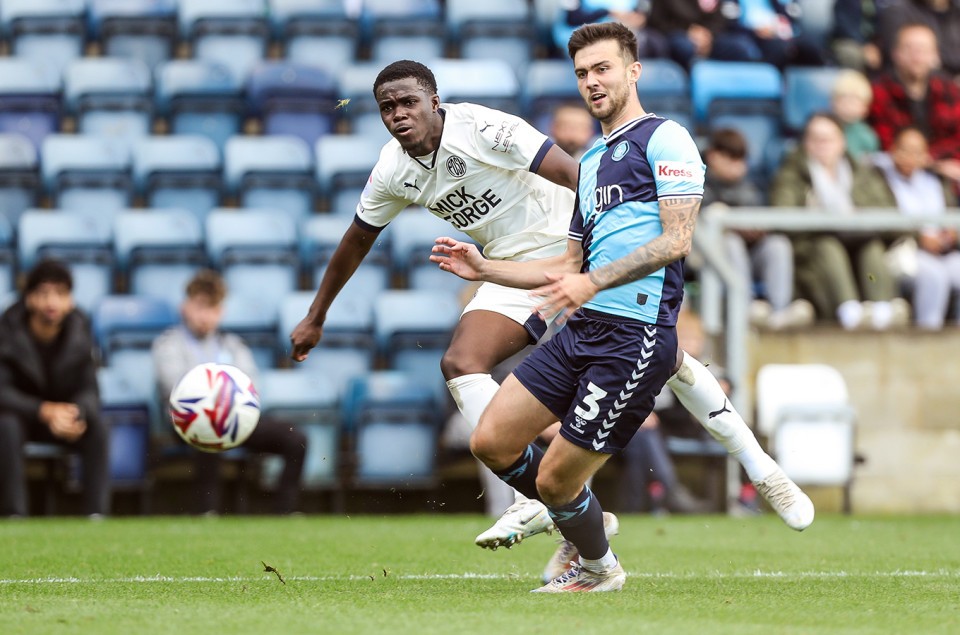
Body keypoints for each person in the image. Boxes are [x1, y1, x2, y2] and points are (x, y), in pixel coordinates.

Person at [289, 57, 813, 556]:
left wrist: (592, 253)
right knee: (459, 362)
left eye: (407, 101)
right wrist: (317, 315)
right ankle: (536, 502)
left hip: (574, 250)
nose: (397, 114)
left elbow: (576, 175)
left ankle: (761, 467)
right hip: (507, 268)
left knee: (668, 358)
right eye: (386, 107)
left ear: (434, 100)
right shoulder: (391, 171)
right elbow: (356, 239)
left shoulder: (484, 129)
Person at [430, 22, 814, 592]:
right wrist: (486, 269)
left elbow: (676, 240)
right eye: (582, 73)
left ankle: (596, 566)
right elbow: (567, 266)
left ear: (633, 71)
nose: (592, 81)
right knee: (491, 441)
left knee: (559, 480)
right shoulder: (588, 163)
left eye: (602, 68)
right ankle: (568, 518)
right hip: (581, 330)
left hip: (633, 338)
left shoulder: (666, 138)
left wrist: (593, 282)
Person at [153, 270, 306, 515]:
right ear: (185, 307)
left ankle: (284, 512)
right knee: (210, 429)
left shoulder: (234, 346)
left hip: (235, 418)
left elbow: (251, 386)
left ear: (221, 311)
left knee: (295, 438)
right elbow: (173, 387)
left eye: (213, 308)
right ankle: (208, 511)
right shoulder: (168, 344)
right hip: (188, 421)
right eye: (200, 306)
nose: (206, 316)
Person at [771, 112, 907, 330]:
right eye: (816, 139)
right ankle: (849, 313)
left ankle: (882, 311)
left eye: (828, 139)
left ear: (841, 142)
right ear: (806, 143)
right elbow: (783, 215)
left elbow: (889, 212)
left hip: (859, 242)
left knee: (871, 248)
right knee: (828, 246)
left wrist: (860, 216)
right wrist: (823, 220)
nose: (822, 145)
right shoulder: (791, 172)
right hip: (812, 250)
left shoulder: (862, 172)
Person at [0, 260, 109, 518]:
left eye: (60, 294)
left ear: (70, 301)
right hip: (24, 418)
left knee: (99, 427)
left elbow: (90, 390)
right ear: (29, 299)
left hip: (64, 419)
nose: (52, 303)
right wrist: (43, 410)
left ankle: (97, 515)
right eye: (44, 293)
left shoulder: (80, 333)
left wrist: (77, 413)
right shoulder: (7, 333)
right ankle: (14, 513)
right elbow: (2, 392)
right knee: (6, 426)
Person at [702, 127, 814, 330]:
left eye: (740, 159)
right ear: (712, 155)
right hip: (709, 258)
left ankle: (779, 313)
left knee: (777, 244)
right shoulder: (697, 182)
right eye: (730, 157)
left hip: (750, 251)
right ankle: (744, 309)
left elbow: (760, 220)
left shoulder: (751, 187)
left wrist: (757, 230)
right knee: (731, 242)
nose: (737, 165)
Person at [874, 126, 960, 329]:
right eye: (905, 150)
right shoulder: (879, 177)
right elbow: (881, 220)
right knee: (934, 277)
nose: (910, 157)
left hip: (944, 250)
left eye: (917, 152)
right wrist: (919, 237)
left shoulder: (936, 180)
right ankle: (927, 335)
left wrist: (952, 233)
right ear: (893, 149)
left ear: (926, 155)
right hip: (905, 250)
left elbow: (952, 215)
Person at [869, 23, 960, 187]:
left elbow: (957, 138)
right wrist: (925, 162)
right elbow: (885, 142)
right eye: (909, 48)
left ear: (935, 56)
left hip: (946, 173)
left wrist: (934, 160)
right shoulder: (878, 92)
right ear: (895, 53)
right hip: (893, 176)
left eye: (923, 50)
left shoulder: (950, 91)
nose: (916, 56)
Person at [831, 69, 880, 161]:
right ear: (833, 102)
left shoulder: (867, 136)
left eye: (854, 100)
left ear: (865, 108)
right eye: (843, 98)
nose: (847, 104)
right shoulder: (824, 129)